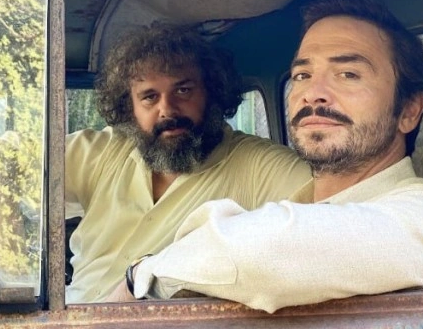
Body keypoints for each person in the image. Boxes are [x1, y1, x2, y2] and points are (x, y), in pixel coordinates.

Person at [122, 0, 423, 313]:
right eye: (302, 75)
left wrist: (141, 275)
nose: (312, 93)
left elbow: (262, 250)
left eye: (348, 74)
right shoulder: (295, 207)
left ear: (409, 110)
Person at [64, 25, 311, 303]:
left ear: (211, 92)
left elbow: (336, 215)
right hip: (62, 318)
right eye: (149, 97)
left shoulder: (259, 166)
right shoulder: (103, 152)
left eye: (183, 90)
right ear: (129, 107)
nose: (167, 110)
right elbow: (25, 173)